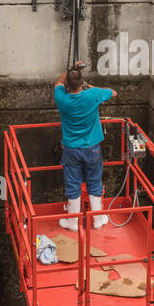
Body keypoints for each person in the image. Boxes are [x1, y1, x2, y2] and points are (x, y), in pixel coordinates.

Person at [53, 61, 117, 230]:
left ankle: (73, 222)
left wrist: (72, 70)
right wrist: (88, 85)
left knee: (73, 183)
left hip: (71, 148)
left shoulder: (62, 98)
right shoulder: (92, 94)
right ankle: (98, 220)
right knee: (94, 182)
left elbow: (58, 83)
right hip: (92, 147)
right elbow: (113, 93)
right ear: (82, 83)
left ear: (68, 84)